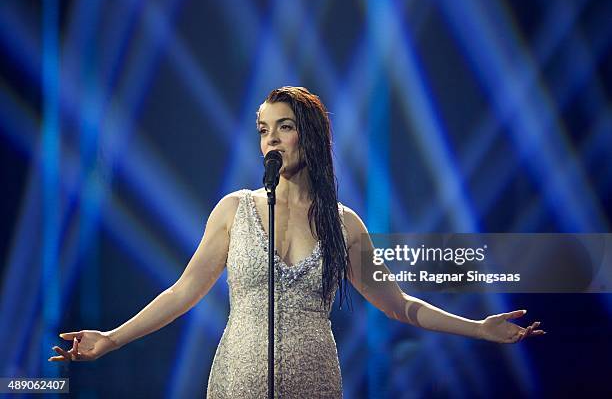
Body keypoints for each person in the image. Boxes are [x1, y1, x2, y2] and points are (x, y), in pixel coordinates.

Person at [49, 86, 545, 397]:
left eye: (283, 127)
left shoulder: (343, 224)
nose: (271, 139)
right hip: (239, 379)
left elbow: (398, 305)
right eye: (263, 129)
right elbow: (182, 293)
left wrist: (478, 329)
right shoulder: (234, 210)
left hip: (313, 379)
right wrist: (111, 338)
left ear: (309, 136)